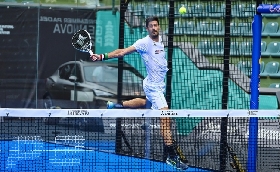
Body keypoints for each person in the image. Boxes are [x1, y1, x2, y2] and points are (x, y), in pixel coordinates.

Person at [90, 16, 188, 170]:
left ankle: (117, 105)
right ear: (147, 28)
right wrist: (103, 56)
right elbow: (122, 52)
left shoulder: (161, 40)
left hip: (155, 84)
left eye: (156, 25)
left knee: (145, 103)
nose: (154, 28)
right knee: (165, 117)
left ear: (159, 27)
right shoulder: (143, 43)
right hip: (153, 87)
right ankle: (171, 156)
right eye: (151, 26)